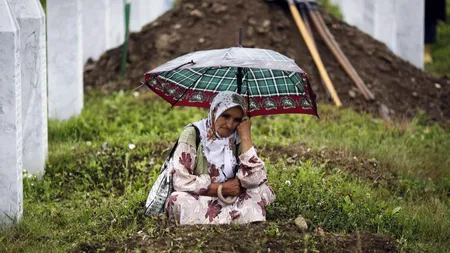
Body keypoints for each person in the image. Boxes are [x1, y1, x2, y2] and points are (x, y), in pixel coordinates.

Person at [165, 91, 275, 224]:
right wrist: (220, 189)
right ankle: (236, 218)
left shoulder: (237, 136)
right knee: (177, 199)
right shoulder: (193, 134)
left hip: (232, 198)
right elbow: (180, 180)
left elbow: (254, 179)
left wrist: (246, 137)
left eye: (237, 120)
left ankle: (219, 219)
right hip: (201, 197)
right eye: (225, 116)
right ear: (213, 113)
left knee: (261, 190)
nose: (230, 125)